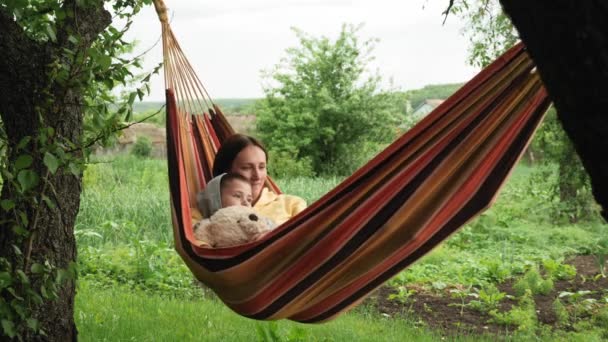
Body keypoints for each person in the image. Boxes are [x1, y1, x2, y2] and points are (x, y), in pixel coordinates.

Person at [212, 134, 307, 225]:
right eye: (246, 167)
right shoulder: (207, 210)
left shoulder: (291, 205)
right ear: (226, 172)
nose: (257, 176)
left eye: (261, 167)